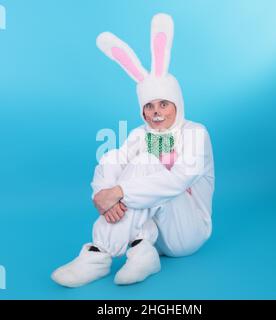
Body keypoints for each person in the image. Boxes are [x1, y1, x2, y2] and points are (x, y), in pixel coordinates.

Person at [51, 13, 215, 287]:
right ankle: (142, 254)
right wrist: (102, 194)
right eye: (149, 106)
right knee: (126, 161)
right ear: (142, 110)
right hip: (154, 234)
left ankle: (99, 253)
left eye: (164, 104)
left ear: (177, 103)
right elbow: (111, 162)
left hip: (189, 232)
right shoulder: (141, 134)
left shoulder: (196, 133)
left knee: (146, 163)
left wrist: (119, 192)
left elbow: (179, 178)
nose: (156, 112)